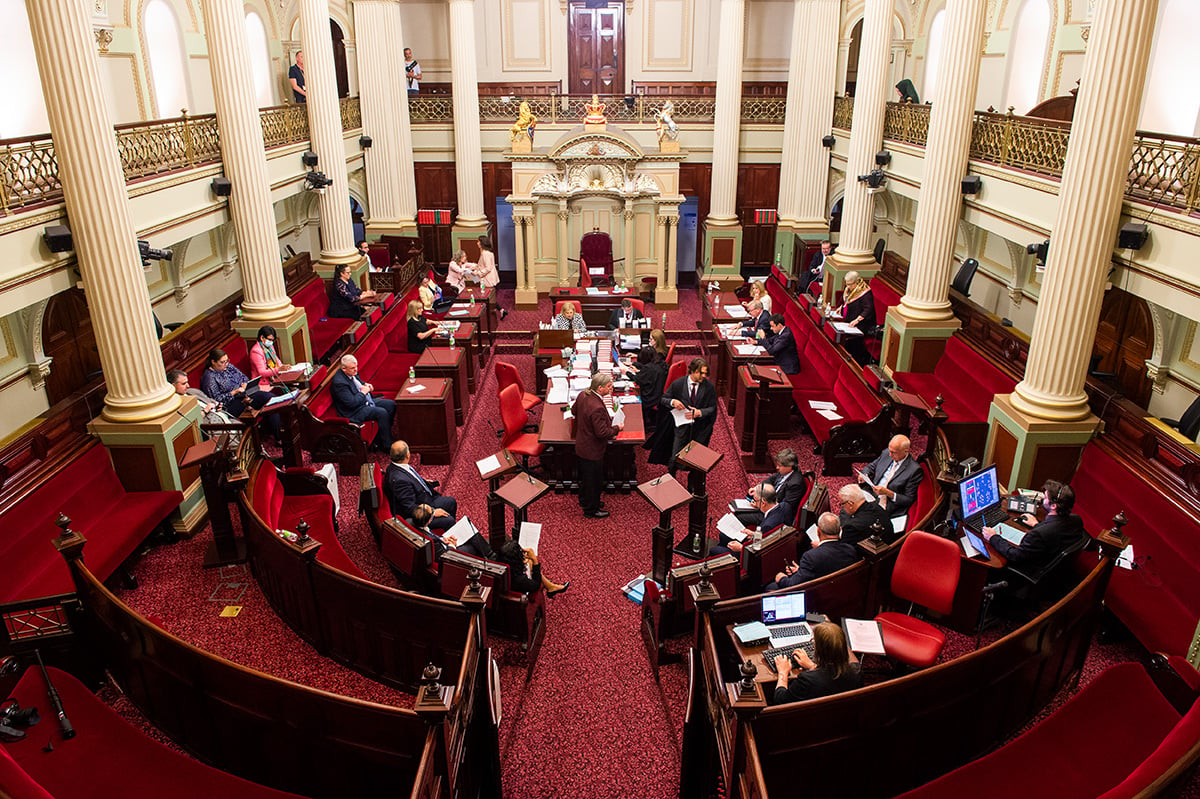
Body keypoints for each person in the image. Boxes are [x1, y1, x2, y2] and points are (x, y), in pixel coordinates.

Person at [983, 480, 1087, 573]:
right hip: (1057, 569)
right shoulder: (1076, 520)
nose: (1042, 500)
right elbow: (1055, 534)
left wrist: (993, 537)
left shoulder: (1039, 534)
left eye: (1045, 498)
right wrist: (1037, 524)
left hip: (1030, 570)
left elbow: (1014, 555)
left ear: (1053, 506)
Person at [770, 622, 861, 705]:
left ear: (819, 651)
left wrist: (783, 673)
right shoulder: (857, 671)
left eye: (814, 641)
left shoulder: (807, 680)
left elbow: (780, 700)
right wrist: (812, 666)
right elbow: (830, 674)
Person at [572, 372, 623, 519]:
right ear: (600, 388)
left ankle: (585, 500)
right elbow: (602, 433)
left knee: (586, 478)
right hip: (592, 450)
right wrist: (617, 428)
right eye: (609, 386)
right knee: (593, 481)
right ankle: (591, 510)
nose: (611, 388)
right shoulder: (597, 407)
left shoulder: (583, 395)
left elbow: (575, 411)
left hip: (582, 444)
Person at [767, 513, 861, 591]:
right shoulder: (850, 550)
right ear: (840, 530)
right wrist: (800, 570)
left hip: (819, 596)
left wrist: (781, 578)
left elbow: (792, 586)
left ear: (818, 532)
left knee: (771, 587)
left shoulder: (811, 557)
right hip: (842, 590)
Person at [656, 358, 717, 471]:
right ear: (692, 371)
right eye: (701, 373)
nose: (704, 376)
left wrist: (700, 412)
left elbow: (713, 408)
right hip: (681, 427)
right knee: (675, 455)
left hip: (699, 429)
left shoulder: (709, 387)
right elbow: (663, 399)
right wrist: (673, 402)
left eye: (705, 373)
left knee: (697, 461)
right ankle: (671, 477)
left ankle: (693, 485)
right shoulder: (679, 384)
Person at [384, 441, 455, 531]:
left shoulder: (396, 466)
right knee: (449, 520)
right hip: (419, 513)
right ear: (407, 455)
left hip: (423, 497)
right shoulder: (399, 481)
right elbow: (409, 508)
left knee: (451, 502)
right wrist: (433, 512)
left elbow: (410, 479)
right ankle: (448, 539)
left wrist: (422, 482)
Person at [330, 354, 396, 452]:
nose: (356, 370)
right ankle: (387, 446)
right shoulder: (339, 383)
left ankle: (382, 435)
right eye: (353, 368)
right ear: (344, 369)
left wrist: (365, 384)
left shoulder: (351, 372)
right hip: (353, 411)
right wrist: (363, 392)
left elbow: (357, 382)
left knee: (391, 405)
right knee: (381, 412)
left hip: (364, 401)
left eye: (356, 366)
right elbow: (351, 403)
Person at [711, 482, 791, 556]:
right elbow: (766, 536)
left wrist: (741, 548)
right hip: (758, 539)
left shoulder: (768, 526)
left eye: (755, 500)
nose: (754, 503)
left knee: (714, 550)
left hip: (750, 555)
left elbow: (761, 551)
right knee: (723, 535)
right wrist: (754, 534)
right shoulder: (784, 505)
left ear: (763, 502)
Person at [736, 448, 807, 528]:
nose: (777, 467)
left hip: (773, 513)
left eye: (779, 466)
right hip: (767, 503)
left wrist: (761, 505)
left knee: (739, 517)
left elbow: (784, 508)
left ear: (789, 466)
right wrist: (758, 488)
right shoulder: (785, 472)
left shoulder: (795, 484)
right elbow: (770, 480)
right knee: (740, 507)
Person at [858, 435, 923, 519]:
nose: (890, 454)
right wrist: (864, 474)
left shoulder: (914, 470)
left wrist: (888, 493)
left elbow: (908, 500)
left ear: (906, 451)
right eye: (890, 450)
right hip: (871, 492)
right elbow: (871, 467)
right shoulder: (886, 453)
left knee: (860, 518)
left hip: (887, 503)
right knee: (850, 501)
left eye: (894, 452)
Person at [200, 348, 273, 417]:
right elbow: (216, 399)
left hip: (244, 394)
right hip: (230, 404)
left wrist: (244, 384)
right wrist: (234, 392)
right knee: (263, 401)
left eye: (227, 361)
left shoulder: (228, 366)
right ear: (213, 362)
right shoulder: (209, 378)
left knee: (270, 399)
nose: (226, 364)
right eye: (222, 362)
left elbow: (243, 377)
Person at [167, 369, 240, 437]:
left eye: (187, 382)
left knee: (246, 428)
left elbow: (211, 400)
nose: (188, 386)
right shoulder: (176, 404)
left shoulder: (192, 391)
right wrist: (205, 411)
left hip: (225, 419)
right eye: (184, 384)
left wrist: (217, 405)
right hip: (214, 430)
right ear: (173, 386)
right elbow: (189, 423)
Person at [411, 503, 491, 560]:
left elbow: (432, 536)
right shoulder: (432, 541)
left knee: (470, 533)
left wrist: (443, 539)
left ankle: (489, 555)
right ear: (429, 520)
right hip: (448, 554)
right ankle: (490, 557)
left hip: (442, 543)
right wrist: (451, 545)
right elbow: (446, 555)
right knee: (472, 545)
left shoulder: (411, 522)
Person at [496, 539, 570, 596]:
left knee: (529, 562)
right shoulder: (521, 580)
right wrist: (535, 560)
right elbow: (536, 585)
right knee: (531, 563)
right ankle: (551, 587)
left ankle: (550, 586)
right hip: (520, 597)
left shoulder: (498, 567)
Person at [624, 345, 667, 431]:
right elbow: (645, 368)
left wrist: (626, 372)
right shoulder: (660, 363)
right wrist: (634, 364)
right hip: (658, 393)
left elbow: (638, 379)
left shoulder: (649, 369)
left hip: (650, 397)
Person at [838, 270, 876, 365]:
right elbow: (847, 300)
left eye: (850, 284)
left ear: (857, 282)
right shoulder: (850, 289)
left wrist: (857, 320)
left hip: (862, 324)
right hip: (849, 320)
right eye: (847, 284)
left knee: (850, 341)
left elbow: (868, 309)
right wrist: (841, 307)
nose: (848, 287)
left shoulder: (865, 293)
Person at [249, 325, 291, 392]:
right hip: (263, 383)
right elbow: (262, 372)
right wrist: (278, 369)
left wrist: (283, 367)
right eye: (269, 340)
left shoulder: (270, 346)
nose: (271, 342)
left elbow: (276, 359)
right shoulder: (256, 351)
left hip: (274, 377)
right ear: (262, 337)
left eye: (272, 340)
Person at [474, 236, 507, 319]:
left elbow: (488, 268)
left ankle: (492, 315)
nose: (477, 243)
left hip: (488, 279)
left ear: (482, 243)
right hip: (490, 278)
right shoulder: (489, 253)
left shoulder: (485, 254)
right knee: (490, 298)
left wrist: (478, 273)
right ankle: (501, 310)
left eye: (478, 242)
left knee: (488, 298)